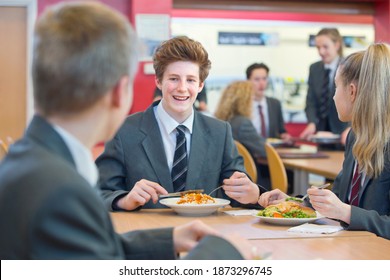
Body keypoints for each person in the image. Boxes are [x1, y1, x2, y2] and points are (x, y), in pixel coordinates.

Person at [0, 2, 254, 259]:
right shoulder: (63, 189)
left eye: (190, 80)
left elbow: (98, 253)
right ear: (119, 92)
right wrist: (224, 252)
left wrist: (168, 240)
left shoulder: (31, 163)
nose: (182, 88)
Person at [96, 36, 262, 211]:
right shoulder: (123, 130)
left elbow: (237, 192)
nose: (182, 88)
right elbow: (99, 193)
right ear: (159, 82)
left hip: (204, 233)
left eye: (190, 80)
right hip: (146, 233)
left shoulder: (220, 132)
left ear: (200, 85)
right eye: (174, 78)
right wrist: (124, 200)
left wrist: (252, 195)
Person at [259, 43, 390, 240]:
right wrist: (294, 203)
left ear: (352, 92)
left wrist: (346, 212)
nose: (334, 97)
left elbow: (345, 210)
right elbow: (338, 197)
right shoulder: (356, 136)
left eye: (336, 88)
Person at [300, 28, 350, 145]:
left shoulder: (350, 67)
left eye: (325, 47)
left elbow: (359, 103)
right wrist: (312, 123)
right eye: (318, 47)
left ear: (337, 45)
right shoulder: (314, 68)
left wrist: (351, 128)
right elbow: (311, 101)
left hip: (344, 135)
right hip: (322, 136)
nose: (321, 52)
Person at [246, 62, 292, 142]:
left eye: (264, 79)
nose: (261, 83)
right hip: (248, 152)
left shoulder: (275, 104)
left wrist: (284, 136)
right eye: (257, 79)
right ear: (248, 81)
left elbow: (281, 131)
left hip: (271, 151)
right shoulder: (242, 105)